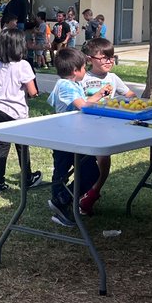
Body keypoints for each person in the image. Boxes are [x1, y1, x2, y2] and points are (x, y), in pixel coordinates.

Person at [46, 47, 112, 227]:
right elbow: (82, 106)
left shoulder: (72, 84)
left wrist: (99, 96)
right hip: (65, 138)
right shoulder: (65, 86)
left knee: (89, 171)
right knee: (62, 172)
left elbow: (83, 104)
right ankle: (61, 202)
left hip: (77, 137)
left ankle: (63, 200)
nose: (86, 70)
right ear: (75, 70)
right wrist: (99, 105)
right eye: (84, 68)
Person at [76, 37, 136, 215]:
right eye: (103, 58)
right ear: (89, 59)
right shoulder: (83, 78)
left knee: (103, 161)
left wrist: (126, 99)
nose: (108, 61)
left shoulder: (113, 78)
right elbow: (78, 102)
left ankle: (92, 193)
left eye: (111, 57)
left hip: (105, 128)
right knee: (84, 166)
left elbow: (130, 95)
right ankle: (72, 193)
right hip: (82, 128)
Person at [0, 28, 43, 194]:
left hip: (0, 110)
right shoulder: (23, 65)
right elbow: (33, 92)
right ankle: (27, 178)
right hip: (18, 111)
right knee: (22, 147)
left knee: (2, 146)